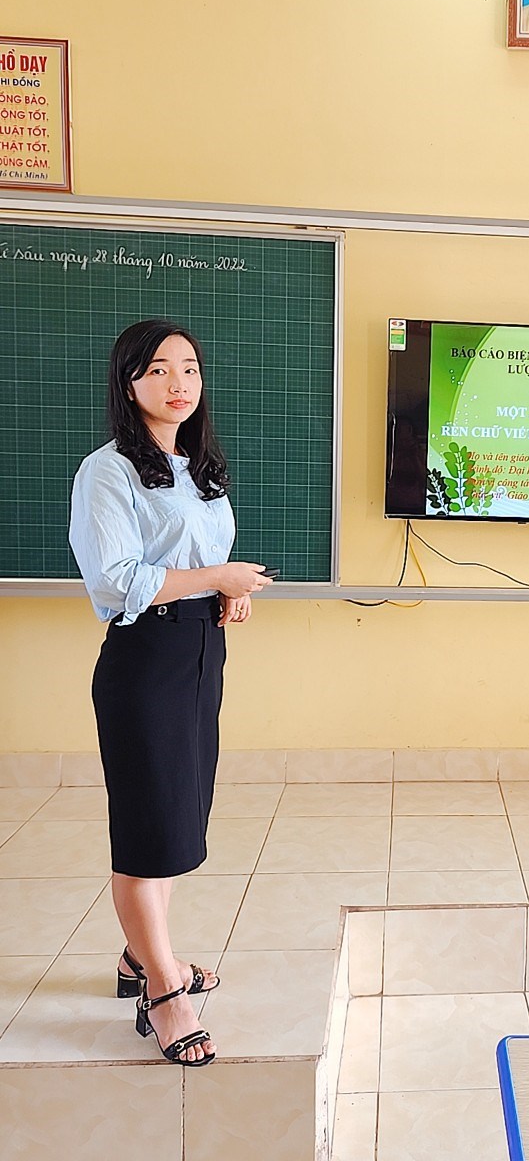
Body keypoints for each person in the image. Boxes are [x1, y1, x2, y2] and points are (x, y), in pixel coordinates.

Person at [69, 319, 272, 1067]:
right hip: (146, 658)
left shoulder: (197, 466)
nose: (177, 383)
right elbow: (117, 579)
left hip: (200, 652)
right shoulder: (107, 471)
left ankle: (139, 956)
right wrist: (216, 577)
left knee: (179, 821)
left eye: (188, 367)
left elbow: (196, 556)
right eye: (156, 369)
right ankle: (163, 990)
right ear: (128, 384)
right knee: (147, 830)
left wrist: (227, 592)